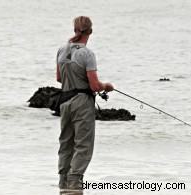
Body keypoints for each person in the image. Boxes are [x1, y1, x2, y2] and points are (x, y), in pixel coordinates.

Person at [56, 16, 114, 192]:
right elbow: (95, 86)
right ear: (90, 31)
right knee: (83, 144)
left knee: (66, 143)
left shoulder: (61, 49)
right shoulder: (87, 54)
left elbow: (59, 78)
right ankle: (75, 183)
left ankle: (63, 183)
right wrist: (107, 86)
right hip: (82, 102)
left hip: (64, 101)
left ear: (75, 29)